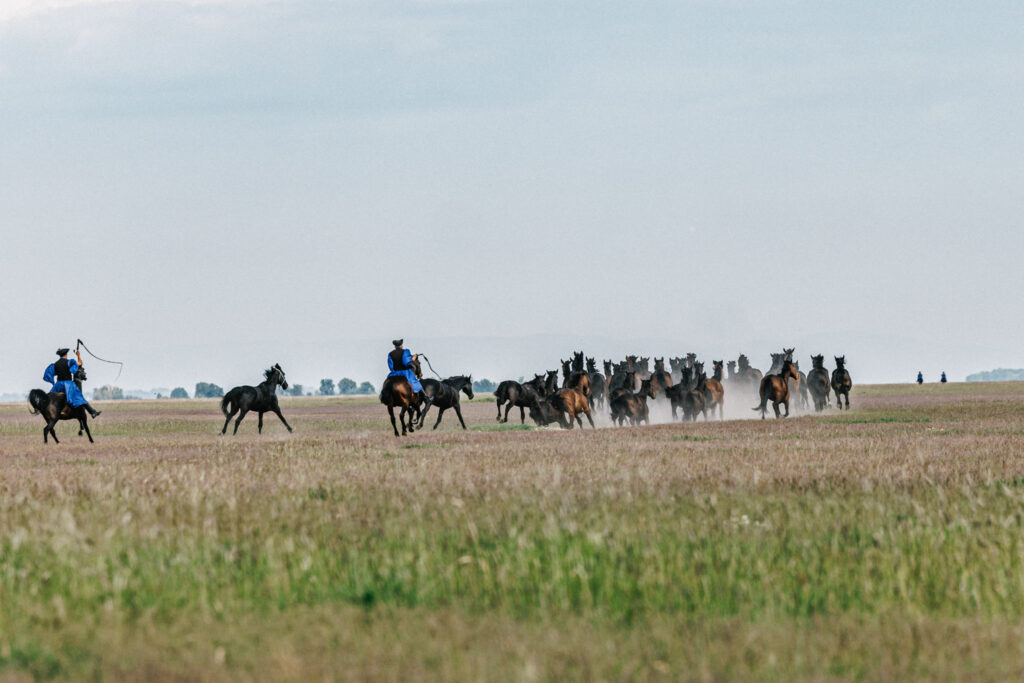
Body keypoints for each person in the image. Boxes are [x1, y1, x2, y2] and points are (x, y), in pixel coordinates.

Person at [44, 348, 101, 417]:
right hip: (68, 384)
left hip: (58, 385)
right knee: (79, 397)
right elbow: (80, 363)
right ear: (66, 355)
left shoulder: (55, 364)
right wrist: (78, 355)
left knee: (49, 398)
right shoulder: (69, 362)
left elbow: (54, 374)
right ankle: (92, 412)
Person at [387, 339, 429, 405]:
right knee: (416, 383)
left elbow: (391, 366)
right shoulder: (406, 351)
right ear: (401, 345)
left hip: (394, 373)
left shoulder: (390, 354)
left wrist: (395, 371)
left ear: (395, 346)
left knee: (387, 384)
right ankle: (426, 398)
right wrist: (414, 357)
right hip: (405, 373)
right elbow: (406, 362)